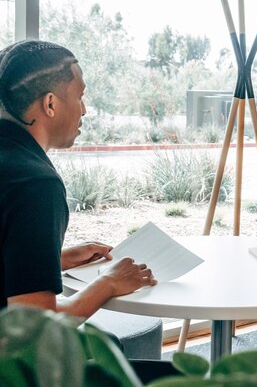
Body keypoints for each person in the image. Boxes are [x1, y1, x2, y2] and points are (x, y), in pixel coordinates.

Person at [0, 39, 156, 318]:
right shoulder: (35, 184)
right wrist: (108, 282)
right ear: (50, 104)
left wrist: (53, 261)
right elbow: (35, 331)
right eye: (80, 96)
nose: (84, 110)